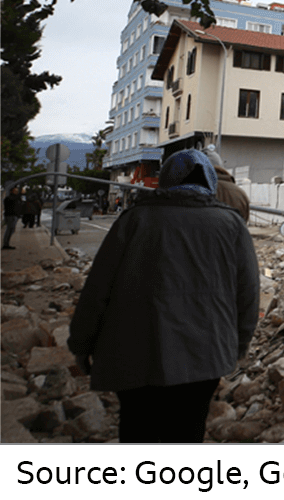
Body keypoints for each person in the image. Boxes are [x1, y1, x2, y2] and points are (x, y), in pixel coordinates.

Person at [68, 148, 259, 444]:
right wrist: (239, 343)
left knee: (137, 428)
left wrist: (81, 343)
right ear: (209, 181)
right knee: (187, 430)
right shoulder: (231, 224)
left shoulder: (134, 220)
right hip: (205, 355)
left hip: (135, 353)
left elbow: (97, 289)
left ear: (165, 181)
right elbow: (247, 293)